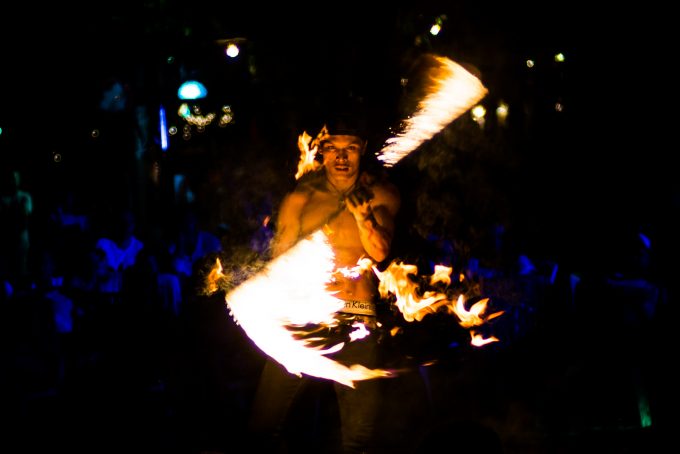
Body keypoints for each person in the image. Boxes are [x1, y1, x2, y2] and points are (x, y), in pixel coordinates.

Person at [247, 112, 401, 453]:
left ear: (363, 151)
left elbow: (380, 253)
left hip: (357, 318)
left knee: (359, 440)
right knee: (263, 426)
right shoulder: (301, 198)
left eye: (350, 149)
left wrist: (363, 218)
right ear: (322, 151)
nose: (341, 158)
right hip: (305, 322)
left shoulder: (382, 195)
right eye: (333, 149)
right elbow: (279, 262)